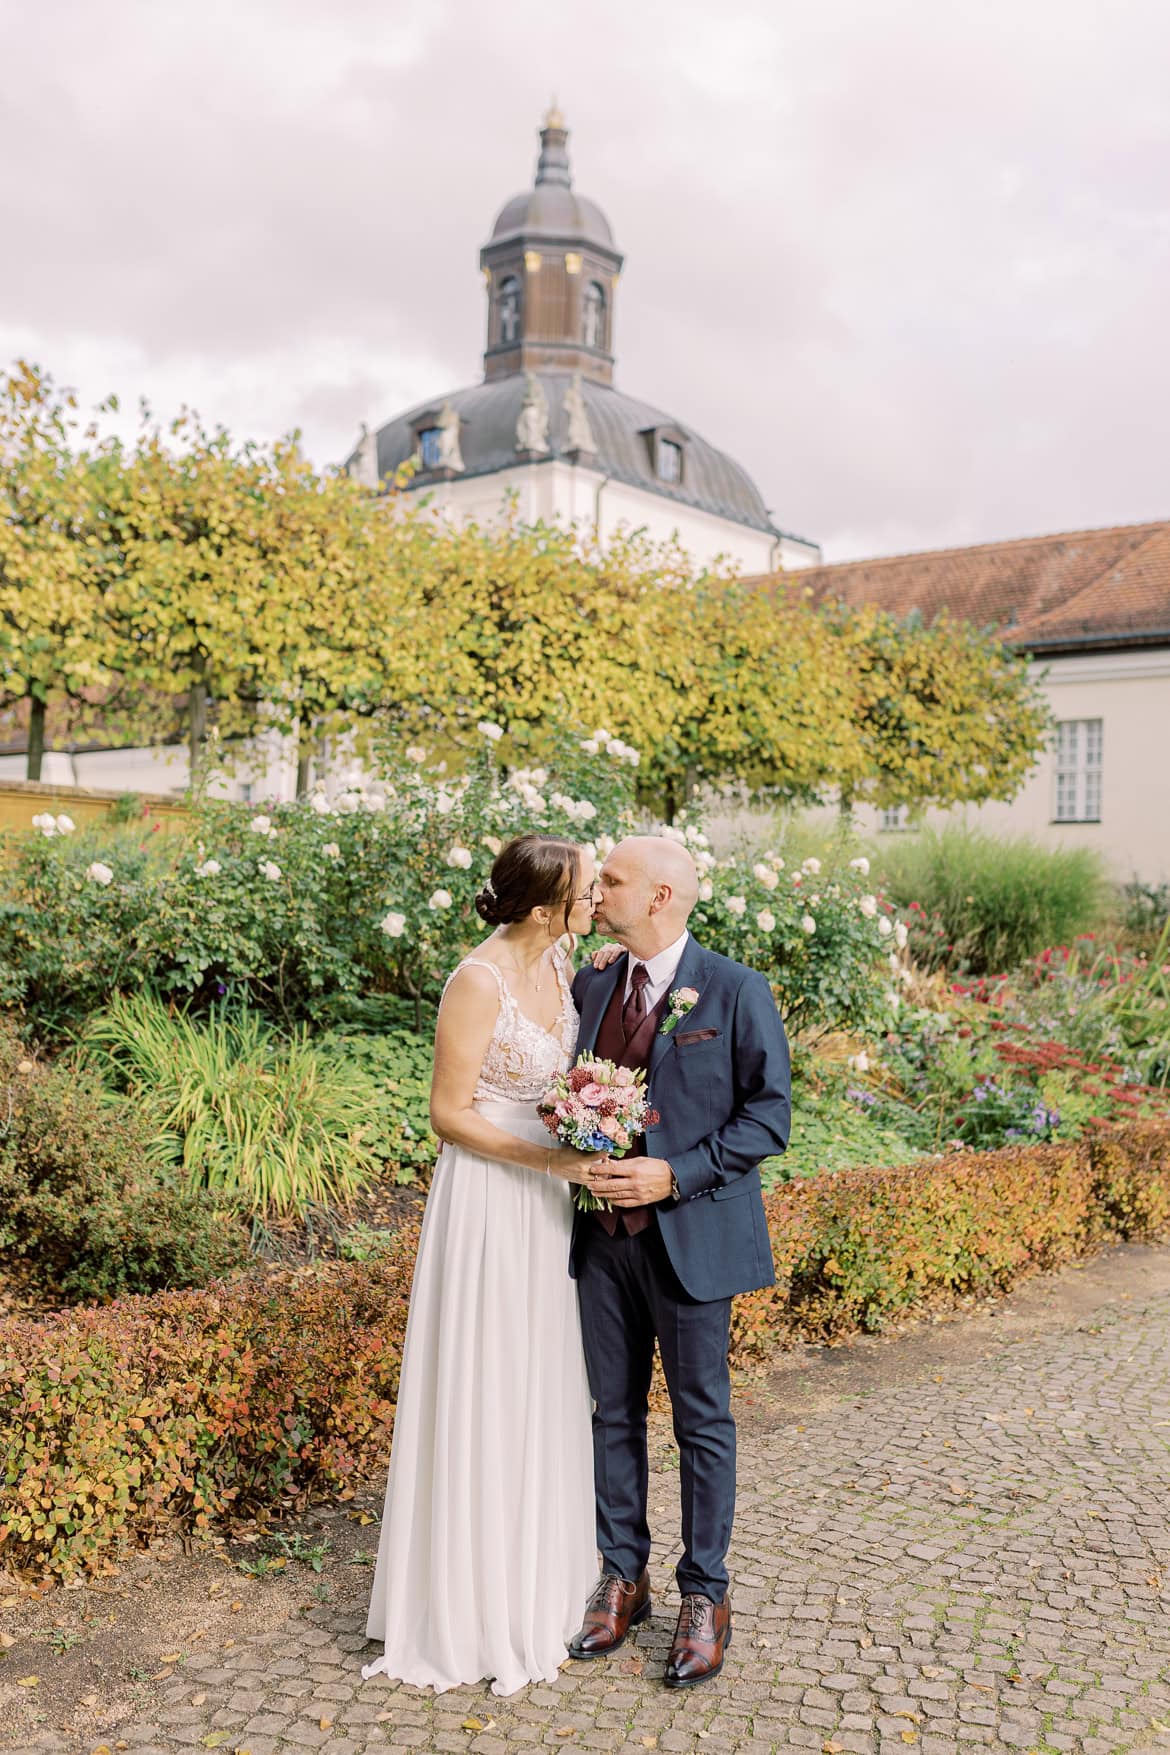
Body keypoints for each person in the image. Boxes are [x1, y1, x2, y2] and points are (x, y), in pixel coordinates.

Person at [362, 834, 610, 1697]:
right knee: (488, 1375)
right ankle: (469, 1601)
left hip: (549, 1199)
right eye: (584, 890)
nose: (595, 899)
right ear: (544, 907)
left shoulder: (568, 959)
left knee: (543, 1374)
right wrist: (548, 1161)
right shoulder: (478, 982)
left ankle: (545, 1571)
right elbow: (448, 1113)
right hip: (493, 1196)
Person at [567, 835, 790, 1689]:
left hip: (691, 1241)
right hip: (601, 1243)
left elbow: (768, 1117)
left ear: (660, 895)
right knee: (610, 1413)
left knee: (701, 1421)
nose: (599, 892)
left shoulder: (735, 990)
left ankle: (707, 1593)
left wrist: (675, 1172)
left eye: (612, 881)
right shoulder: (591, 981)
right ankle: (624, 1577)